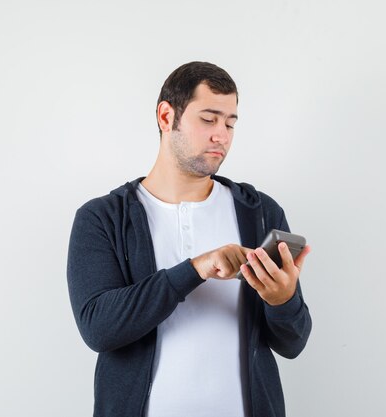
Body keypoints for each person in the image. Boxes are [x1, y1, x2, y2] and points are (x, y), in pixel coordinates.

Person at [67, 61, 312, 417]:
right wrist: (195, 269)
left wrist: (282, 299)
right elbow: (99, 329)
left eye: (230, 123)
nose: (222, 136)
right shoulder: (103, 217)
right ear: (167, 117)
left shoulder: (259, 211)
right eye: (209, 119)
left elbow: (293, 343)